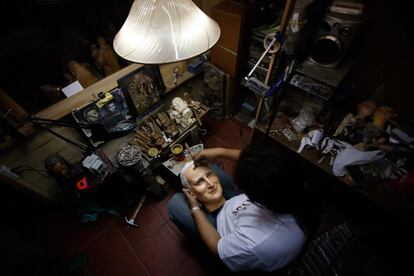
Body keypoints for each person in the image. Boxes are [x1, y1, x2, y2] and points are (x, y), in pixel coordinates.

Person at [168, 143, 308, 272]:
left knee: (175, 203)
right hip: (235, 207)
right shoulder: (289, 188)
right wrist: (220, 152)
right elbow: (264, 162)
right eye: (200, 181)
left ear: (259, 198)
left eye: (243, 188)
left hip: (221, 234)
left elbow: (216, 247)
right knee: (210, 166)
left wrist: (194, 207)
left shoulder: (259, 244)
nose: (210, 184)